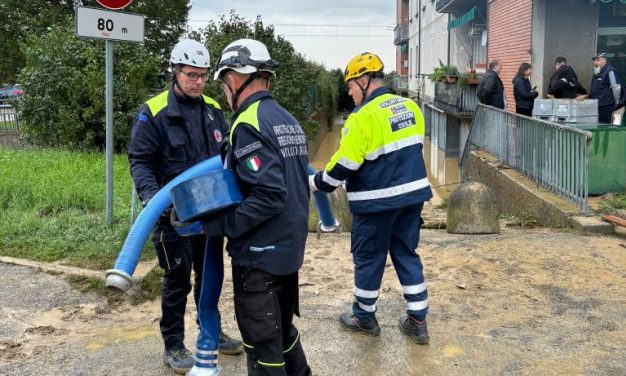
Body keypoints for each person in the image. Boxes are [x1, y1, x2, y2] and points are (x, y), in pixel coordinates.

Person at [128, 39, 243, 374]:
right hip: (173, 217)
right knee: (178, 280)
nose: (199, 82)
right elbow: (140, 161)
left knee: (210, 277)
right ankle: (173, 344)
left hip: (208, 214)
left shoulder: (212, 109)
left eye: (204, 76)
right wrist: (153, 199)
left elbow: (226, 157)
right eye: (192, 75)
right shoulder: (154, 112)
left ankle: (212, 332)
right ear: (175, 71)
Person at [310, 52, 433, 345]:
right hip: (413, 197)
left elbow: (344, 165)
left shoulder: (361, 117)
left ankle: (364, 317)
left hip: (376, 203)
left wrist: (318, 183)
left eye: (351, 86)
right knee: (406, 252)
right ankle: (418, 320)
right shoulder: (411, 107)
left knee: (368, 258)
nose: (350, 93)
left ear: (364, 81)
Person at [206, 38, 312, 375]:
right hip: (288, 250)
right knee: (282, 333)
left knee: (261, 344)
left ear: (234, 79)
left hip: (259, 256)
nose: (225, 92)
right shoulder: (286, 120)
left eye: (224, 84)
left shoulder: (248, 123)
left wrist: (224, 225)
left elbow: (269, 194)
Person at [589, 52, 626, 124]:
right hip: (597, 105)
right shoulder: (597, 72)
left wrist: (617, 103)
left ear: (604, 60)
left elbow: (616, 88)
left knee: (607, 126)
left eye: (597, 60)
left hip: (606, 106)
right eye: (594, 60)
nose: (595, 62)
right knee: (599, 125)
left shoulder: (610, 71)